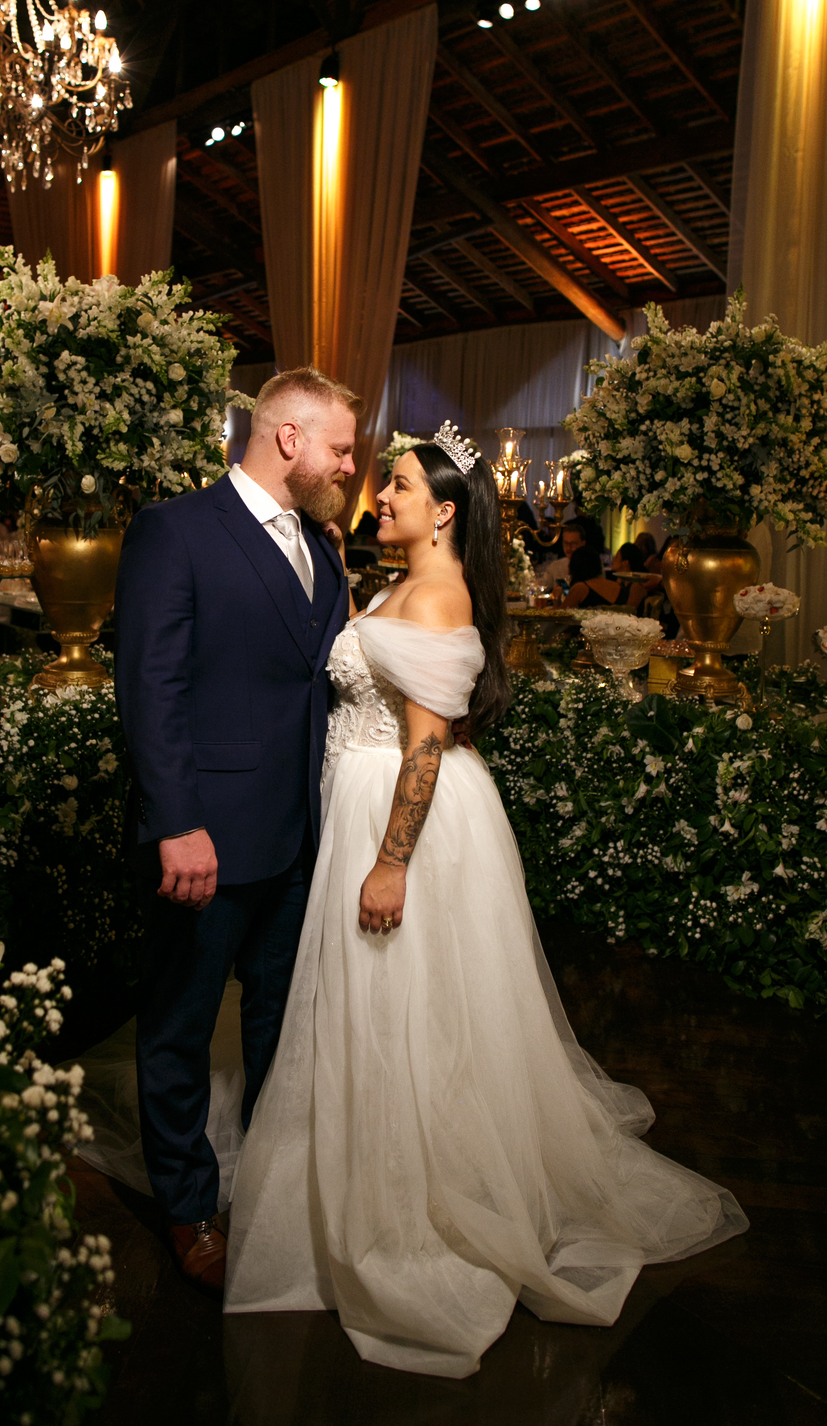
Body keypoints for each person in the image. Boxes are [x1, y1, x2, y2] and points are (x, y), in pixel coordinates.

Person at [225, 423, 747, 1376]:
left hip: (401, 818)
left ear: (444, 512)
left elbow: (427, 744)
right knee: (378, 1011)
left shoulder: (436, 594)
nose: (382, 496)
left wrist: (391, 862)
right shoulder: (403, 583)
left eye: (399, 486)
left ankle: (412, 1197)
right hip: (367, 798)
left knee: (408, 1012)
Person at [114, 366, 360, 1296]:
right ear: (288, 437)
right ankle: (188, 1209)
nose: (351, 467)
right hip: (206, 839)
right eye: (340, 448)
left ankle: (268, 1194)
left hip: (302, 835)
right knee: (180, 1025)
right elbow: (151, 685)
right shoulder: (175, 529)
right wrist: (177, 822)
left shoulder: (320, 545)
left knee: (280, 1026)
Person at [551, 544, 646, 611]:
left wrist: (556, 599)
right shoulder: (616, 585)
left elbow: (560, 618)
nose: (613, 559)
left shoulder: (581, 587)